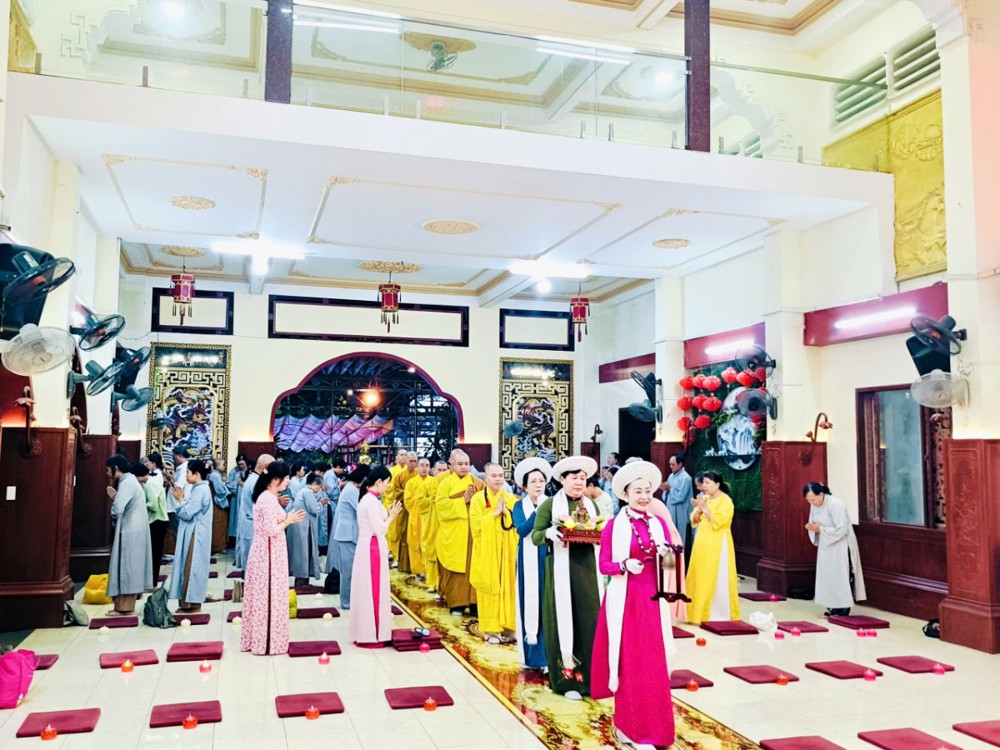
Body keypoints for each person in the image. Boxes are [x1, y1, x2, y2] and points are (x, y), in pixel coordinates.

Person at [591, 461, 677, 750]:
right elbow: (604, 565)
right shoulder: (613, 526)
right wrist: (625, 565)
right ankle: (629, 727)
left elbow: (669, 565)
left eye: (648, 491)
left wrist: (667, 555)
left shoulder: (659, 524)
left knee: (654, 664)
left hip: (653, 601)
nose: (644, 496)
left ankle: (657, 730)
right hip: (626, 603)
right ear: (625, 494)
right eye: (637, 491)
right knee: (630, 663)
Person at [530, 456, 604, 700]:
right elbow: (535, 536)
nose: (579, 482)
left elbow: (600, 530)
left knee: (590, 621)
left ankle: (591, 679)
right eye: (574, 478)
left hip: (588, 570)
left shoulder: (591, 505)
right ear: (562, 480)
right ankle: (566, 681)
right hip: (560, 569)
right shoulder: (550, 505)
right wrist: (550, 533)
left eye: (583, 478)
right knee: (562, 619)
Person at [241, 461, 306, 655]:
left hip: (269, 552)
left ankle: (265, 640)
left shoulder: (268, 497)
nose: (288, 481)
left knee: (268, 597)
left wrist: (287, 518)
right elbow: (270, 530)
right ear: (275, 479)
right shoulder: (267, 499)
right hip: (268, 556)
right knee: (269, 596)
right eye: (286, 478)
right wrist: (288, 520)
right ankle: (268, 642)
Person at [350, 465, 402, 647]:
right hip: (372, 548)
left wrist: (389, 513)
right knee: (374, 590)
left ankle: (370, 632)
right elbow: (379, 528)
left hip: (369, 546)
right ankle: (372, 634)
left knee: (369, 589)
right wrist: (392, 516)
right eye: (387, 482)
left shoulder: (370, 499)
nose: (388, 486)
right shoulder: (370, 501)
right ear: (379, 482)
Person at [470, 462, 519, 644]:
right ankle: (491, 630)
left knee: (508, 587)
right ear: (486, 478)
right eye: (494, 476)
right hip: (487, 552)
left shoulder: (511, 499)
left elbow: (517, 524)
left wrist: (506, 513)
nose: (498, 479)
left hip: (507, 552)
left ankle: (508, 628)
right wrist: (494, 514)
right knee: (489, 588)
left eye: (501, 475)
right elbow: (475, 526)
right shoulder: (478, 499)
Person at [684, 470, 739, 625]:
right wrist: (699, 509)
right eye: (704, 483)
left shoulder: (725, 501)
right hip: (702, 541)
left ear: (718, 484)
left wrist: (705, 509)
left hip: (718, 542)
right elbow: (694, 518)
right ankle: (696, 613)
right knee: (700, 574)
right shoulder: (706, 498)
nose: (704, 486)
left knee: (716, 574)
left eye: (708, 483)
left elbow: (720, 521)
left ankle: (717, 613)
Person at [804, 482, 866, 617]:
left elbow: (842, 529)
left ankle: (843, 608)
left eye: (813, 499)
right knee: (827, 575)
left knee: (840, 575)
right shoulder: (814, 505)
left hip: (840, 544)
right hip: (826, 545)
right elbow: (814, 522)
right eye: (808, 500)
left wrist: (820, 529)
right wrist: (813, 527)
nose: (811, 503)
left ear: (821, 494)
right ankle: (832, 606)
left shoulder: (836, 504)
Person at [435, 450, 485, 616]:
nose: (464, 467)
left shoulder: (478, 483)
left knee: (476, 567)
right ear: (452, 465)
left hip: (473, 533)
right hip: (454, 533)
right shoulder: (445, 483)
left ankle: (475, 603)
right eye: (460, 464)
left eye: (466, 464)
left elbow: (486, 504)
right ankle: (457, 604)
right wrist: (462, 501)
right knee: (456, 569)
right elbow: (440, 507)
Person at [512, 457, 550, 671]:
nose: (538, 485)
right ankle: (533, 658)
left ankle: (549, 657)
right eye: (533, 481)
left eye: (541, 481)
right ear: (525, 487)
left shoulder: (553, 503)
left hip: (549, 557)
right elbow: (522, 530)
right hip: (528, 560)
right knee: (530, 603)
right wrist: (540, 511)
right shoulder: (519, 506)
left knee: (548, 604)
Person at [105, 456, 153, 615]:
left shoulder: (126, 483)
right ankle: (124, 607)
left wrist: (114, 501)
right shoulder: (131, 480)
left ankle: (124, 609)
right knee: (130, 568)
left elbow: (118, 510)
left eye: (108, 470)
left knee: (126, 568)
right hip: (134, 530)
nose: (107, 473)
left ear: (116, 468)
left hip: (130, 531)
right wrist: (117, 498)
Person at [168, 459, 213, 613]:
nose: (186, 475)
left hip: (195, 535)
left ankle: (191, 605)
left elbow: (187, 513)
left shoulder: (201, 490)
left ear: (197, 474)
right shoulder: (197, 488)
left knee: (190, 568)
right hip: (193, 533)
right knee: (188, 568)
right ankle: (188, 605)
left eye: (188, 472)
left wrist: (180, 500)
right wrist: (182, 500)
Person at [330, 465, 368, 609]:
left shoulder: (351, 488)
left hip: (349, 534)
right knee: (348, 571)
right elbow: (361, 510)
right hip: (347, 535)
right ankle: (346, 602)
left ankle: (351, 600)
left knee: (351, 570)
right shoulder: (351, 490)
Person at [235, 454, 274, 570]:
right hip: (252, 523)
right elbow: (260, 504)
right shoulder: (255, 482)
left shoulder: (253, 479)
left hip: (249, 522)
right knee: (252, 563)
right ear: (265, 467)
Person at [288, 472, 325, 586]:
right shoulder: (308, 492)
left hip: (300, 526)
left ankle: (302, 580)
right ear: (314, 484)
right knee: (305, 553)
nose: (319, 489)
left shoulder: (302, 491)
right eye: (319, 487)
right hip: (304, 528)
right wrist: (321, 504)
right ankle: (302, 581)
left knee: (301, 553)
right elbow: (314, 509)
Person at [385, 451, 419, 569]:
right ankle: (397, 557)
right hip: (401, 507)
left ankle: (417, 562)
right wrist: (408, 494)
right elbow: (394, 490)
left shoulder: (419, 475)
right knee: (399, 532)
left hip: (416, 509)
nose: (412, 463)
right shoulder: (396, 473)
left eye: (415, 461)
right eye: (410, 460)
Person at [420, 460, 449, 593]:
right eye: (439, 470)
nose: (442, 473)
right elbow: (420, 503)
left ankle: (444, 585)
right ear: (433, 471)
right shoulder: (427, 484)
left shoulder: (449, 484)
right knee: (431, 552)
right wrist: (433, 500)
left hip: (446, 523)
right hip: (430, 522)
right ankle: (432, 583)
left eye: (444, 470)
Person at [142, 454, 170, 587]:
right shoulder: (152, 478)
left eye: (148, 462)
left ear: (154, 463)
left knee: (155, 551)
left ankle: (152, 580)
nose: (147, 464)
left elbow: (153, 504)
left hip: (157, 517)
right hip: (157, 517)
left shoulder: (154, 479)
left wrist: (140, 503)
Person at [402, 458, 432, 578]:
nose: (424, 468)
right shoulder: (411, 483)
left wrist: (426, 500)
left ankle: (428, 570)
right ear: (417, 467)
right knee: (414, 544)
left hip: (429, 518)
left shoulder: (433, 482)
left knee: (428, 544)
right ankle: (418, 570)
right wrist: (421, 499)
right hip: (415, 517)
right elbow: (407, 501)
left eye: (427, 465)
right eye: (422, 465)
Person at [664, 454, 693, 548]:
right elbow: (666, 494)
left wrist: (670, 489)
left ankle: (681, 554)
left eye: (673, 464)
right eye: (670, 464)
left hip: (681, 510)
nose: (670, 466)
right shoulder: (671, 476)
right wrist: (665, 489)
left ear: (680, 464)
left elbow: (681, 497)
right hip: (671, 508)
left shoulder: (685, 478)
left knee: (681, 534)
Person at [206, 459, 230, 555]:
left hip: (214, 501)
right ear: (218, 466)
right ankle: (217, 546)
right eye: (223, 465)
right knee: (218, 523)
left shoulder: (215, 474)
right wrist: (227, 491)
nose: (224, 467)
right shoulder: (215, 475)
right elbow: (220, 491)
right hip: (216, 503)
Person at [226, 454, 249, 542]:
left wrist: (243, 484)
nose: (241, 466)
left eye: (243, 464)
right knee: (235, 516)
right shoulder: (234, 472)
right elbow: (229, 484)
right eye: (239, 464)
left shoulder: (250, 471)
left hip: (246, 498)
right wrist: (236, 484)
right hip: (235, 498)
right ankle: (234, 537)